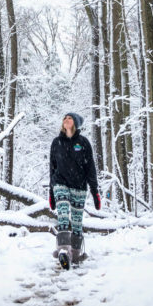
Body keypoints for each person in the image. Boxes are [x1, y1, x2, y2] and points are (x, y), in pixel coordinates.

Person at [49, 112, 101, 269]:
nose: (66, 120)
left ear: (76, 123)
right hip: (60, 183)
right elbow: (52, 167)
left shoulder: (83, 143)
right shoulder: (56, 142)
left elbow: (90, 168)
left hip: (79, 186)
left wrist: (95, 191)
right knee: (63, 213)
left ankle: (76, 254)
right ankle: (63, 250)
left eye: (69, 118)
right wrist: (51, 192)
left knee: (77, 221)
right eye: (64, 118)